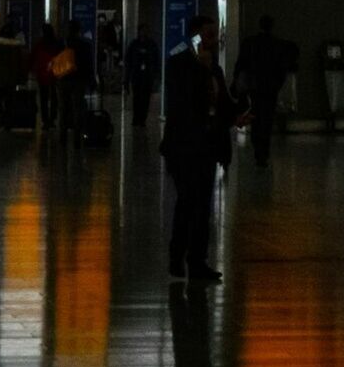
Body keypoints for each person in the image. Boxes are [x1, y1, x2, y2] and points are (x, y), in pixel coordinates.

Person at [161, 15, 244, 281]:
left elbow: (221, 106)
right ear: (196, 37)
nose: (214, 40)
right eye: (208, 35)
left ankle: (197, 261)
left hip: (207, 147)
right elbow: (184, 105)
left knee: (202, 205)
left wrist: (235, 118)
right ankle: (177, 257)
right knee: (188, 202)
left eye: (215, 35)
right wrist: (203, 70)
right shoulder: (180, 65)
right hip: (184, 147)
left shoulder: (215, 69)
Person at [236, 16, 296, 167]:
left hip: (254, 87)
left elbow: (241, 64)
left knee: (255, 115)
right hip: (270, 88)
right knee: (267, 119)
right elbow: (282, 68)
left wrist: (240, 83)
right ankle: (264, 152)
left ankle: (257, 147)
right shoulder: (278, 44)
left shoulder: (250, 43)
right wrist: (277, 84)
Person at [0, 21, 27, 125]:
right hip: (12, 78)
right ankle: (7, 118)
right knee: (9, 99)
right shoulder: (17, 46)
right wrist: (22, 76)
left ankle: (1, 114)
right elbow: (21, 62)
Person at [61, 25, 97, 137]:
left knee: (64, 107)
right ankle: (77, 133)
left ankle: (63, 134)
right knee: (78, 107)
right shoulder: (85, 46)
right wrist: (92, 80)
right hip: (78, 80)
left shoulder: (62, 45)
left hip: (64, 79)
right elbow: (88, 65)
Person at [125, 25, 160, 129]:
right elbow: (128, 59)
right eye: (142, 30)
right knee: (136, 97)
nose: (143, 32)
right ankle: (136, 118)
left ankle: (142, 119)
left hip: (148, 75)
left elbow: (156, 59)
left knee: (145, 98)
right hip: (136, 74)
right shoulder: (134, 44)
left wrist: (155, 74)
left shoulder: (152, 44)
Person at [30, 25, 62, 132]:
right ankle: (52, 119)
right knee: (54, 98)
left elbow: (32, 57)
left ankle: (45, 120)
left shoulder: (39, 44)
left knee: (43, 99)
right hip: (54, 74)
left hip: (42, 74)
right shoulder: (57, 44)